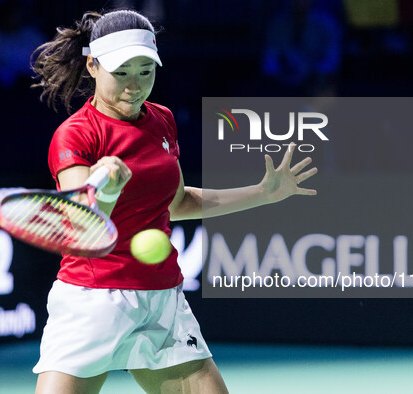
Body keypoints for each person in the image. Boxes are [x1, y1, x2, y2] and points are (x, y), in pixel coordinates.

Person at [30, 9, 318, 394]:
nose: (134, 86)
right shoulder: (76, 135)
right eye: (122, 73)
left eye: (145, 71)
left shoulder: (161, 120)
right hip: (92, 301)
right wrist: (108, 188)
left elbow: (176, 203)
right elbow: (82, 226)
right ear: (92, 65)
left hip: (162, 300)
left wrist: (263, 194)